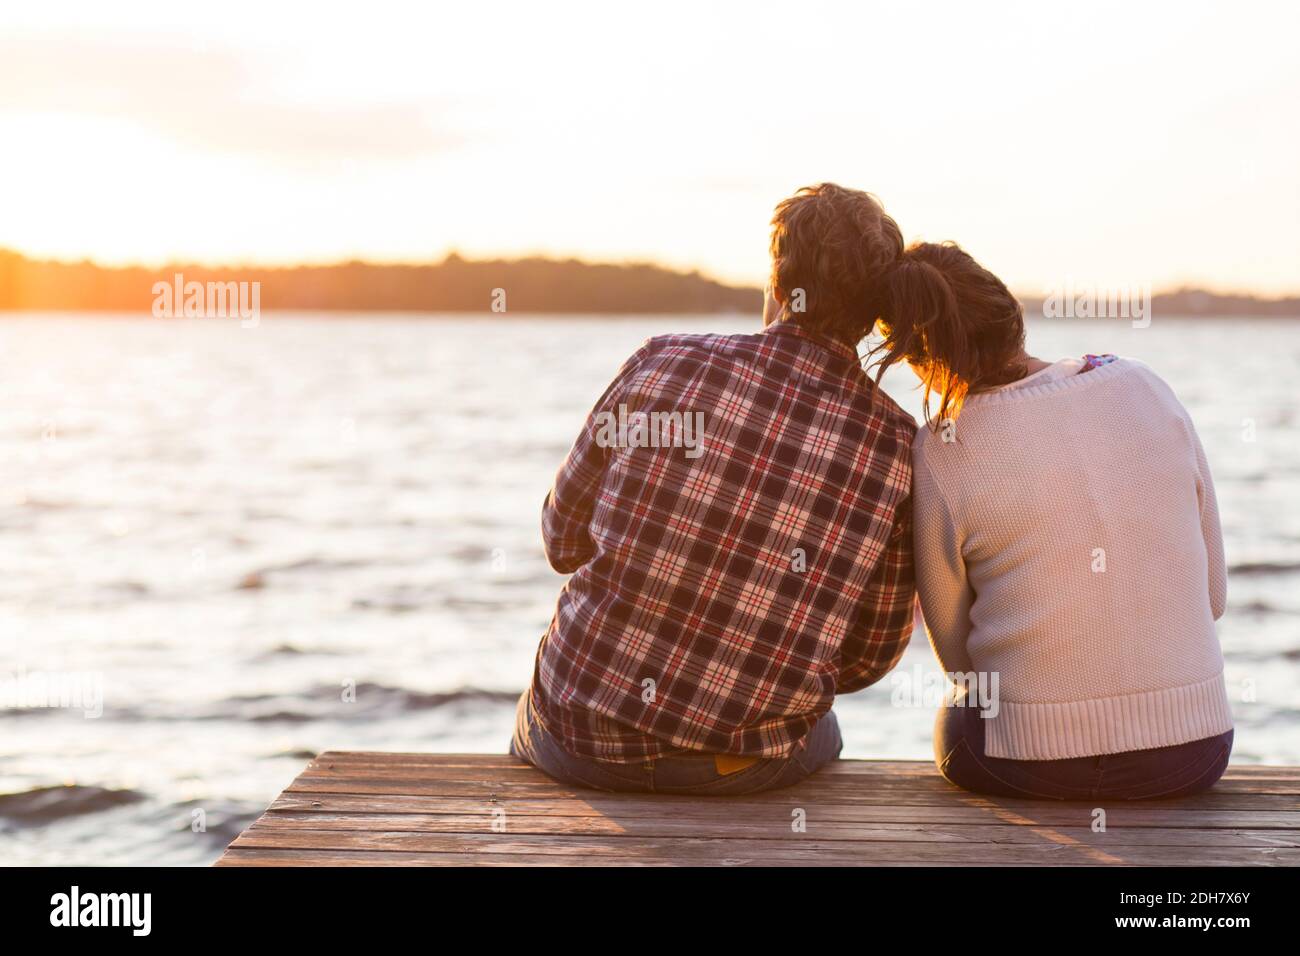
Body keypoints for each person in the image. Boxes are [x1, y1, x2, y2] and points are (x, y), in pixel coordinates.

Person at [511, 183, 917, 794]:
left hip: (580, 737)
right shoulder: (896, 443)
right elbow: (867, 658)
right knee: (822, 728)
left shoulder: (660, 362)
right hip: (741, 764)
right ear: (874, 311)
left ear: (780, 283)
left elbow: (561, 541)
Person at [880, 241, 1233, 800]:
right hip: (1195, 752)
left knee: (957, 714)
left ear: (922, 363)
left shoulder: (941, 448)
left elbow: (958, 662)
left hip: (1029, 763)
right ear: (1011, 315)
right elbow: (1212, 599)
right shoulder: (1144, 385)